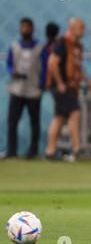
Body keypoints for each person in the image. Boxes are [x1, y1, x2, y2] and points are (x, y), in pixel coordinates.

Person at [45, 18, 91, 162]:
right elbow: (52, 63)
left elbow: (77, 70)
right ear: (72, 27)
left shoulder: (77, 46)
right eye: (81, 27)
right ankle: (76, 149)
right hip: (63, 88)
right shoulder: (63, 43)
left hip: (70, 87)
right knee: (75, 114)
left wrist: (89, 84)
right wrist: (60, 82)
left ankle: (50, 151)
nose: (83, 30)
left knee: (59, 118)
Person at [6, 18, 44, 159]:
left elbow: (44, 67)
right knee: (12, 121)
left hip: (33, 90)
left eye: (27, 27)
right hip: (17, 89)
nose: (25, 30)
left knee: (34, 122)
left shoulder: (40, 48)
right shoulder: (15, 46)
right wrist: (12, 72)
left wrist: (42, 84)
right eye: (23, 27)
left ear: (32, 29)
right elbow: (9, 63)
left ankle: (33, 152)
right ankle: (11, 152)